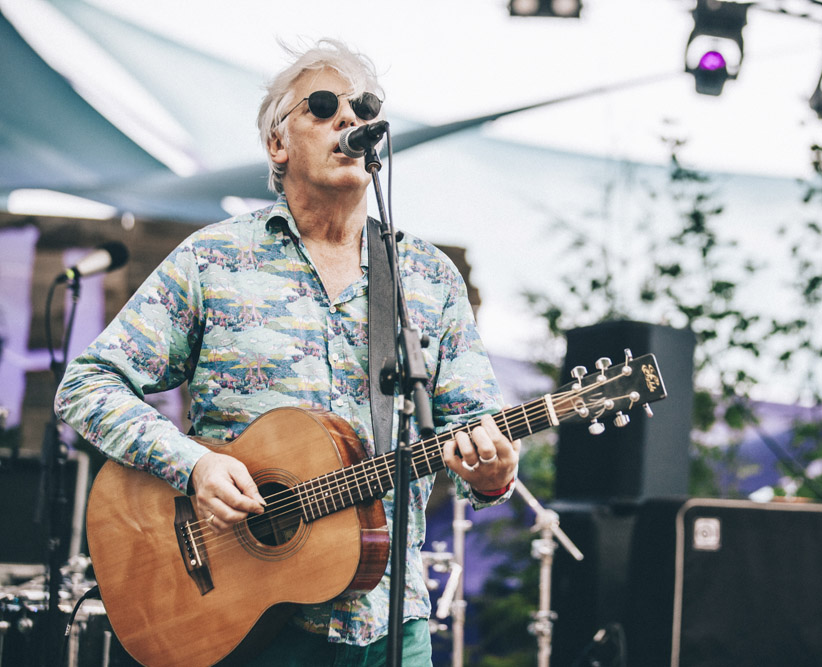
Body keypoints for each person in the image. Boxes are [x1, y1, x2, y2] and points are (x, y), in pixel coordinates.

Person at [55, 38, 518, 665]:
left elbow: (474, 431)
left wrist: (493, 474)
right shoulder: (214, 259)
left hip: (389, 621)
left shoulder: (426, 276)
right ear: (278, 143)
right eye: (322, 106)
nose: (348, 118)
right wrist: (194, 465)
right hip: (241, 621)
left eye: (364, 108)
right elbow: (87, 384)